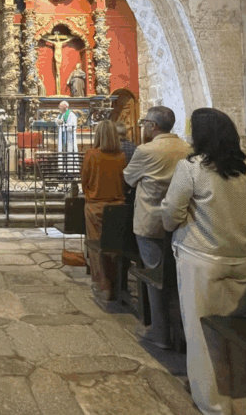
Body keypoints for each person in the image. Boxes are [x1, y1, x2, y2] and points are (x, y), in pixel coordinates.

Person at [162, 108, 246, 415]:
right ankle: (241, 401)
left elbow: (171, 214)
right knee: (239, 334)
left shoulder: (192, 167)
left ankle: (214, 404)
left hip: (202, 257)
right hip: (245, 257)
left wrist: (182, 225)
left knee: (202, 334)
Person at [123, 106, 191, 350]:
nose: (143, 128)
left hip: (151, 221)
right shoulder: (187, 148)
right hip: (181, 221)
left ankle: (161, 333)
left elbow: (129, 178)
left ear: (152, 126)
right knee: (177, 276)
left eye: (144, 124)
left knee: (155, 277)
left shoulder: (146, 150)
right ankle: (182, 331)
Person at [81, 120, 128, 296]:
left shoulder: (91, 155)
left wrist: (91, 192)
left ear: (98, 135)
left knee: (96, 247)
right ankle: (116, 283)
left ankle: (103, 285)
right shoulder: (121, 156)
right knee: (114, 247)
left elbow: (84, 181)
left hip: (95, 206)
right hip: (117, 207)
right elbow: (124, 182)